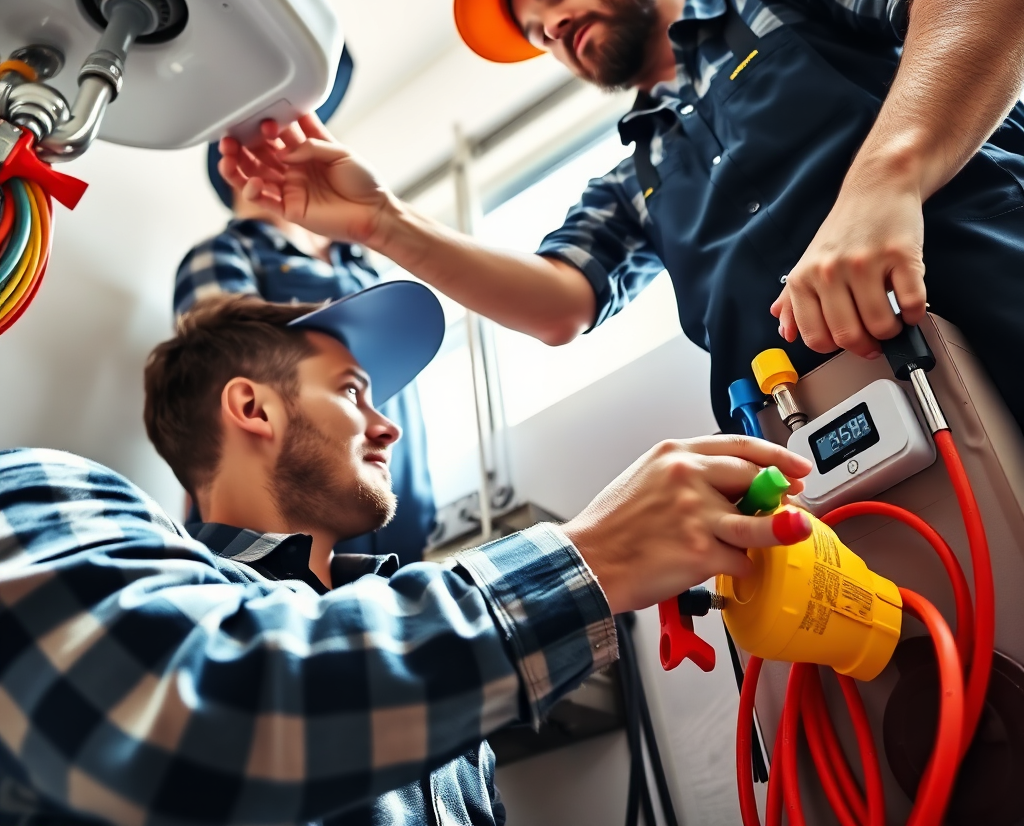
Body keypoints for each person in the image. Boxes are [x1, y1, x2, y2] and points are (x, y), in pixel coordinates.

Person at [0, 282, 812, 825]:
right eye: (353, 390)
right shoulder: (48, 491)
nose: (387, 426)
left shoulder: (445, 704)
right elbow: (169, 723)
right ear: (251, 406)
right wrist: (586, 558)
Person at [218, 0, 1024, 431]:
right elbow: (558, 306)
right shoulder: (635, 175)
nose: (557, 29)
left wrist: (885, 184)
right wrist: (381, 222)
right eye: (540, 32)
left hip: (993, 314)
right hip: (811, 445)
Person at [175, 46, 435, 563]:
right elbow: (216, 378)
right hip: (280, 537)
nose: (286, 147)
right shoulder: (226, 252)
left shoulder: (365, 269)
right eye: (263, 147)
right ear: (236, 173)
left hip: (399, 529)